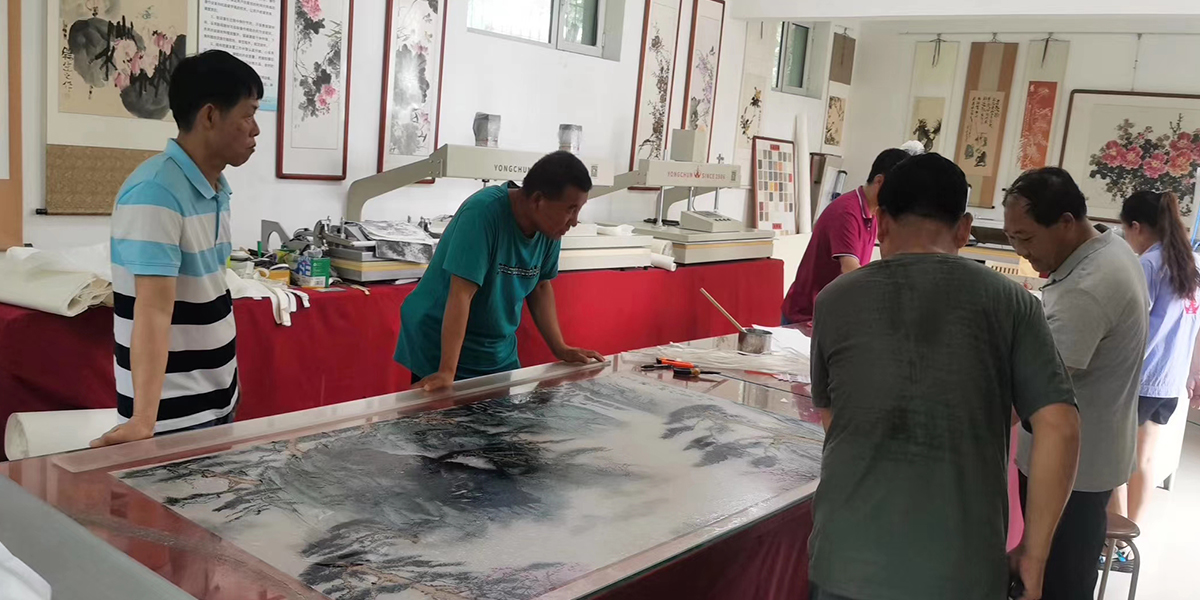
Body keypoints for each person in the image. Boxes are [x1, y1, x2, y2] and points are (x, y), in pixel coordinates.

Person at [808, 153, 1081, 600]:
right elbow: (1061, 428)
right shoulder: (1014, 304)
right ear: (964, 228)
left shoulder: (834, 300)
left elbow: (834, 419)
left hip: (849, 560)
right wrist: (1035, 553)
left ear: (882, 223)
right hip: (962, 570)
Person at [91, 51, 262, 447]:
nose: (255, 130)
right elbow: (152, 311)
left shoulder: (216, 188)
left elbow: (209, 291)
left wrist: (228, 384)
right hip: (171, 415)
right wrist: (143, 421)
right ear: (210, 116)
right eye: (248, 114)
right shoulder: (156, 191)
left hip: (216, 398)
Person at [1002, 167, 1149, 599]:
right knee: (1065, 572)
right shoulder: (1110, 246)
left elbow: (1029, 394)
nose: (1021, 251)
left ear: (1066, 222)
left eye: (1026, 238)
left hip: (1069, 473)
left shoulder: (1089, 288)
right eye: (1011, 239)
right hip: (1095, 455)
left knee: (1055, 581)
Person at [395, 152, 604, 391]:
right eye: (570, 209)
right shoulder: (483, 213)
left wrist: (560, 348)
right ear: (538, 200)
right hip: (440, 346)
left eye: (579, 210)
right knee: (447, 412)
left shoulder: (550, 229)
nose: (574, 221)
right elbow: (461, 294)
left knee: (501, 414)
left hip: (495, 350)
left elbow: (540, 286)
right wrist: (446, 372)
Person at [1112, 191, 1200, 538]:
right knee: (1145, 460)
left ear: (1136, 227)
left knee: (1114, 460)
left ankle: (1115, 541)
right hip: (1169, 381)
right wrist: (1193, 373)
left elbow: (1131, 324)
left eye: (1125, 231)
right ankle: (1130, 539)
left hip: (1139, 377)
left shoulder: (1148, 264)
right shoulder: (1191, 265)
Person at [781, 148, 911, 333]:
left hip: (832, 314)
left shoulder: (873, 213)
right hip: (807, 317)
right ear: (879, 182)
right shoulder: (847, 212)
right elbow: (850, 269)